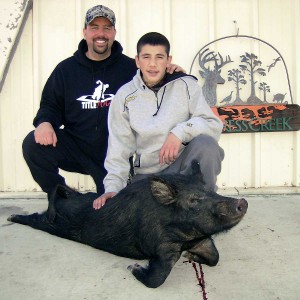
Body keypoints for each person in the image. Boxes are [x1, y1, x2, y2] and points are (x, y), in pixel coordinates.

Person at [22, 5, 183, 197]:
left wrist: (170, 72)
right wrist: (45, 123)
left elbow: (157, 83)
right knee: (32, 144)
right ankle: (62, 198)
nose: (101, 33)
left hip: (117, 153)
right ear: (85, 32)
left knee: (111, 211)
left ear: (114, 32)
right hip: (78, 146)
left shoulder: (132, 68)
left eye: (107, 28)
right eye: (95, 27)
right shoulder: (65, 70)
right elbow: (50, 104)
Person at [93, 32, 224, 209]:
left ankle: (206, 205)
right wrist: (113, 189)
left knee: (206, 145)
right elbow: (119, 149)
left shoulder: (186, 85)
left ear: (168, 60)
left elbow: (213, 125)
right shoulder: (124, 97)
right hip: (148, 176)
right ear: (137, 61)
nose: (153, 64)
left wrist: (179, 133)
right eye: (146, 57)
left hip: (182, 169)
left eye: (159, 57)